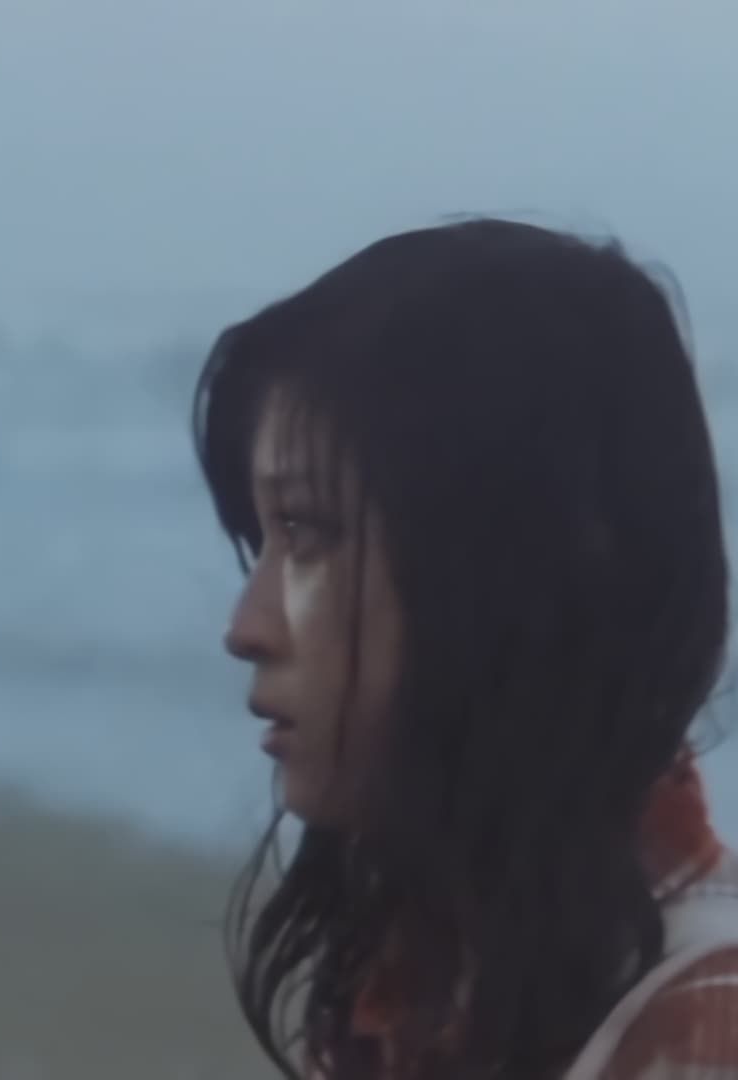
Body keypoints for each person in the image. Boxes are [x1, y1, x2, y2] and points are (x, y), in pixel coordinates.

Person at [194, 218, 738, 1079]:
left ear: (515, 569)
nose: (247, 626)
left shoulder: (702, 1025)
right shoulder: (431, 985)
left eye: (308, 533)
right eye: (262, 541)